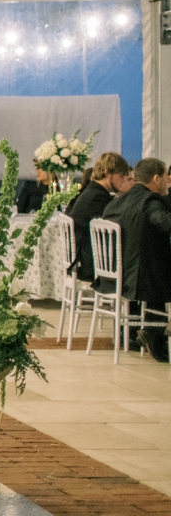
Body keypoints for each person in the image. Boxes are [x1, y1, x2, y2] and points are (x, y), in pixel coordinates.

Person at [105, 157, 171, 361]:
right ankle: (155, 333)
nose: (168, 182)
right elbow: (165, 222)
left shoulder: (120, 200)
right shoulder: (150, 200)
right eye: (166, 177)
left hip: (119, 274)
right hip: (142, 278)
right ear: (156, 178)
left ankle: (153, 331)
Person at [67, 152, 133, 282]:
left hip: (85, 260)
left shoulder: (93, 192)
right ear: (107, 173)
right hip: (92, 266)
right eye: (121, 176)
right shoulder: (97, 198)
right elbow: (120, 226)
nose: (125, 180)